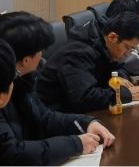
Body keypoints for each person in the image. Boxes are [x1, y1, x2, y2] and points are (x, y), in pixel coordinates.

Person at [0, 13, 115, 165]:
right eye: (41, 50)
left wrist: (86, 123)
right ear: (26, 60)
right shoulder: (5, 89)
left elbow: (44, 117)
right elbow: (11, 153)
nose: (42, 57)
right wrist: (75, 144)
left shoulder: (23, 80)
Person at [37, 12, 139, 112]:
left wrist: (115, 78)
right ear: (112, 37)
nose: (128, 54)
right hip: (53, 115)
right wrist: (124, 94)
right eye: (127, 47)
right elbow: (84, 98)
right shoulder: (78, 53)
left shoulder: (103, 45)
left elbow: (116, 69)